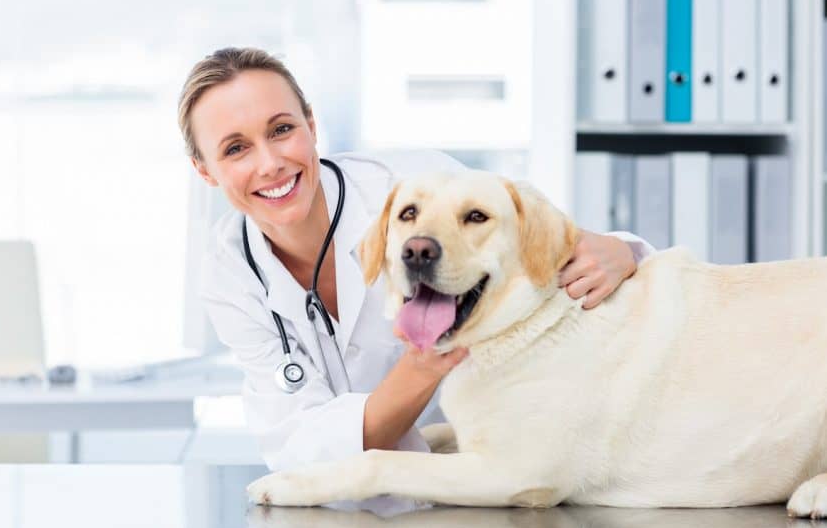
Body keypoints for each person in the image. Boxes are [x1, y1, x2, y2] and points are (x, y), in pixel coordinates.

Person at [178, 47, 654, 472]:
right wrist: (424, 364)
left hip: (493, 468)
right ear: (205, 170)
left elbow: (539, 249)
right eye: (235, 148)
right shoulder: (229, 274)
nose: (270, 163)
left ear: (311, 125)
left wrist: (623, 252)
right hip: (360, 498)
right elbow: (299, 443)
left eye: (282, 129)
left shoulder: (414, 186)